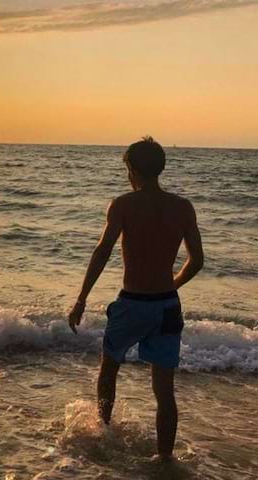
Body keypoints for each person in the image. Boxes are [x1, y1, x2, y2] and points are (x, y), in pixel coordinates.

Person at [67, 137, 204, 461]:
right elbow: (196, 260)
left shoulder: (124, 205)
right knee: (164, 391)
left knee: (109, 368)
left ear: (132, 170)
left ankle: (103, 430)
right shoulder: (183, 207)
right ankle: (164, 458)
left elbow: (102, 252)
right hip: (168, 305)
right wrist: (173, 283)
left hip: (132, 304)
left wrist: (82, 298)